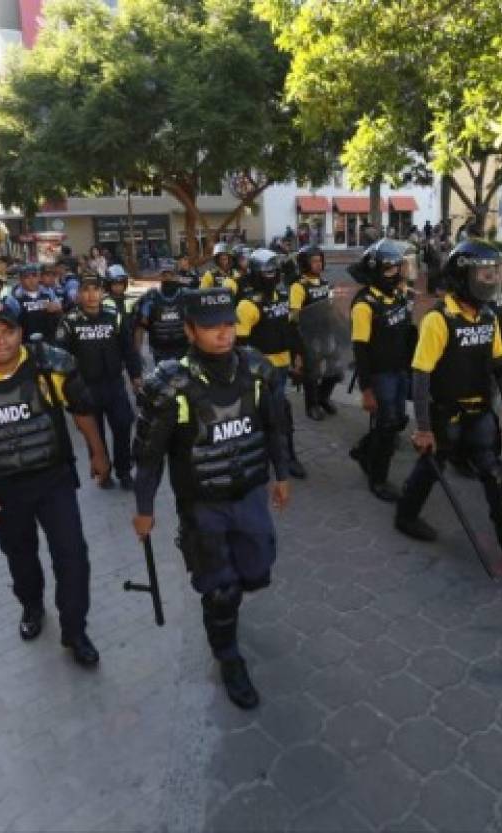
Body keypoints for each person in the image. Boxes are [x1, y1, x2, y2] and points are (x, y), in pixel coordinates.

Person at [131, 287, 291, 709]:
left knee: (256, 573)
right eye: (210, 326)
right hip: (203, 505)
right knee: (221, 592)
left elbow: (275, 427)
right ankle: (228, 656)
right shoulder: (169, 385)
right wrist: (144, 510)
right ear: (189, 330)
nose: (223, 334)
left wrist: (283, 474)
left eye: (228, 324)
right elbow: (148, 456)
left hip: (250, 495)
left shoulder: (256, 370)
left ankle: (230, 600)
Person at [0, 301, 111, 666]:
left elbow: (82, 409)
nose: (1, 342)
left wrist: (98, 452)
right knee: (21, 558)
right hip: (3, 490)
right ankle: (31, 606)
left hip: (54, 479)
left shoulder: (49, 366)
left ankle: (75, 631)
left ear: (20, 332)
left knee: (73, 556)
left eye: (8, 331)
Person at [393, 238, 502, 574]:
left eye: (493, 272)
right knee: (430, 469)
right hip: (445, 415)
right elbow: (421, 377)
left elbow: (499, 365)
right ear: (462, 276)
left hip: (480, 413)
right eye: (483, 273)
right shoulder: (439, 321)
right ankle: (406, 516)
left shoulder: (488, 317)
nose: (490, 279)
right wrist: (422, 429)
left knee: (497, 477)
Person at [55, 274, 142, 490]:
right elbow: (61, 357)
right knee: (95, 434)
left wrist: (135, 376)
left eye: (95, 289)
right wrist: (66, 391)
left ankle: (124, 470)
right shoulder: (69, 321)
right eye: (86, 290)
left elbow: (128, 349)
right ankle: (103, 472)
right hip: (85, 388)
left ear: (102, 293)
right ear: (78, 294)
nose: (91, 295)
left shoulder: (114, 316)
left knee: (123, 425)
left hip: (114, 384)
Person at [347, 240, 414, 501]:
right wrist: (366, 390)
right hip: (380, 375)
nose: (395, 274)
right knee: (387, 426)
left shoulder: (397, 295)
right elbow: (360, 350)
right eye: (389, 270)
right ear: (375, 270)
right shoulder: (364, 304)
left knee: (395, 421)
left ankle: (363, 450)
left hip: (399, 370)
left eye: (397, 268)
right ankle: (378, 480)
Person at [235, 250, 306, 478]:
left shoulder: (283, 298)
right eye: (266, 270)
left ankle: (287, 456)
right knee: (272, 415)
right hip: (260, 372)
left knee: (281, 414)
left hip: (283, 365)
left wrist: (298, 356)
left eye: (274, 270)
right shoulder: (247, 305)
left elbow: (292, 330)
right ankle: (276, 460)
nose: (271, 274)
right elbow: (240, 344)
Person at [289, 245, 340, 421]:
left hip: (327, 332)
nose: (318, 264)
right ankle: (312, 405)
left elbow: (331, 306)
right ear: (304, 264)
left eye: (320, 261)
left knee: (336, 369)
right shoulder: (299, 286)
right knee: (312, 372)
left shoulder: (325, 284)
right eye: (314, 261)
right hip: (309, 335)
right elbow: (295, 315)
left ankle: (323, 397)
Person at [135, 266, 190, 365]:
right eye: (164, 275)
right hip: (159, 350)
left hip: (183, 349)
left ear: (177, 277)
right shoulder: (151, 297)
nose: (168, 278)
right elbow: (140, 325)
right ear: (160, 277)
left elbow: (197, 322)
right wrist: (137, 352)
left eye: (171, 275)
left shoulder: (186, 296)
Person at [5, 265, 62, 344]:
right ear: (21, 280)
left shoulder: (48, 292)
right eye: (27, 277)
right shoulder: (14, 298)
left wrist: (56, 307)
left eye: (34, 276)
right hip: (25, 341)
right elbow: (10, 323)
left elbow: (59, 308)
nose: (31, 280)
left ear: (39, 278)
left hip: (48, 340)